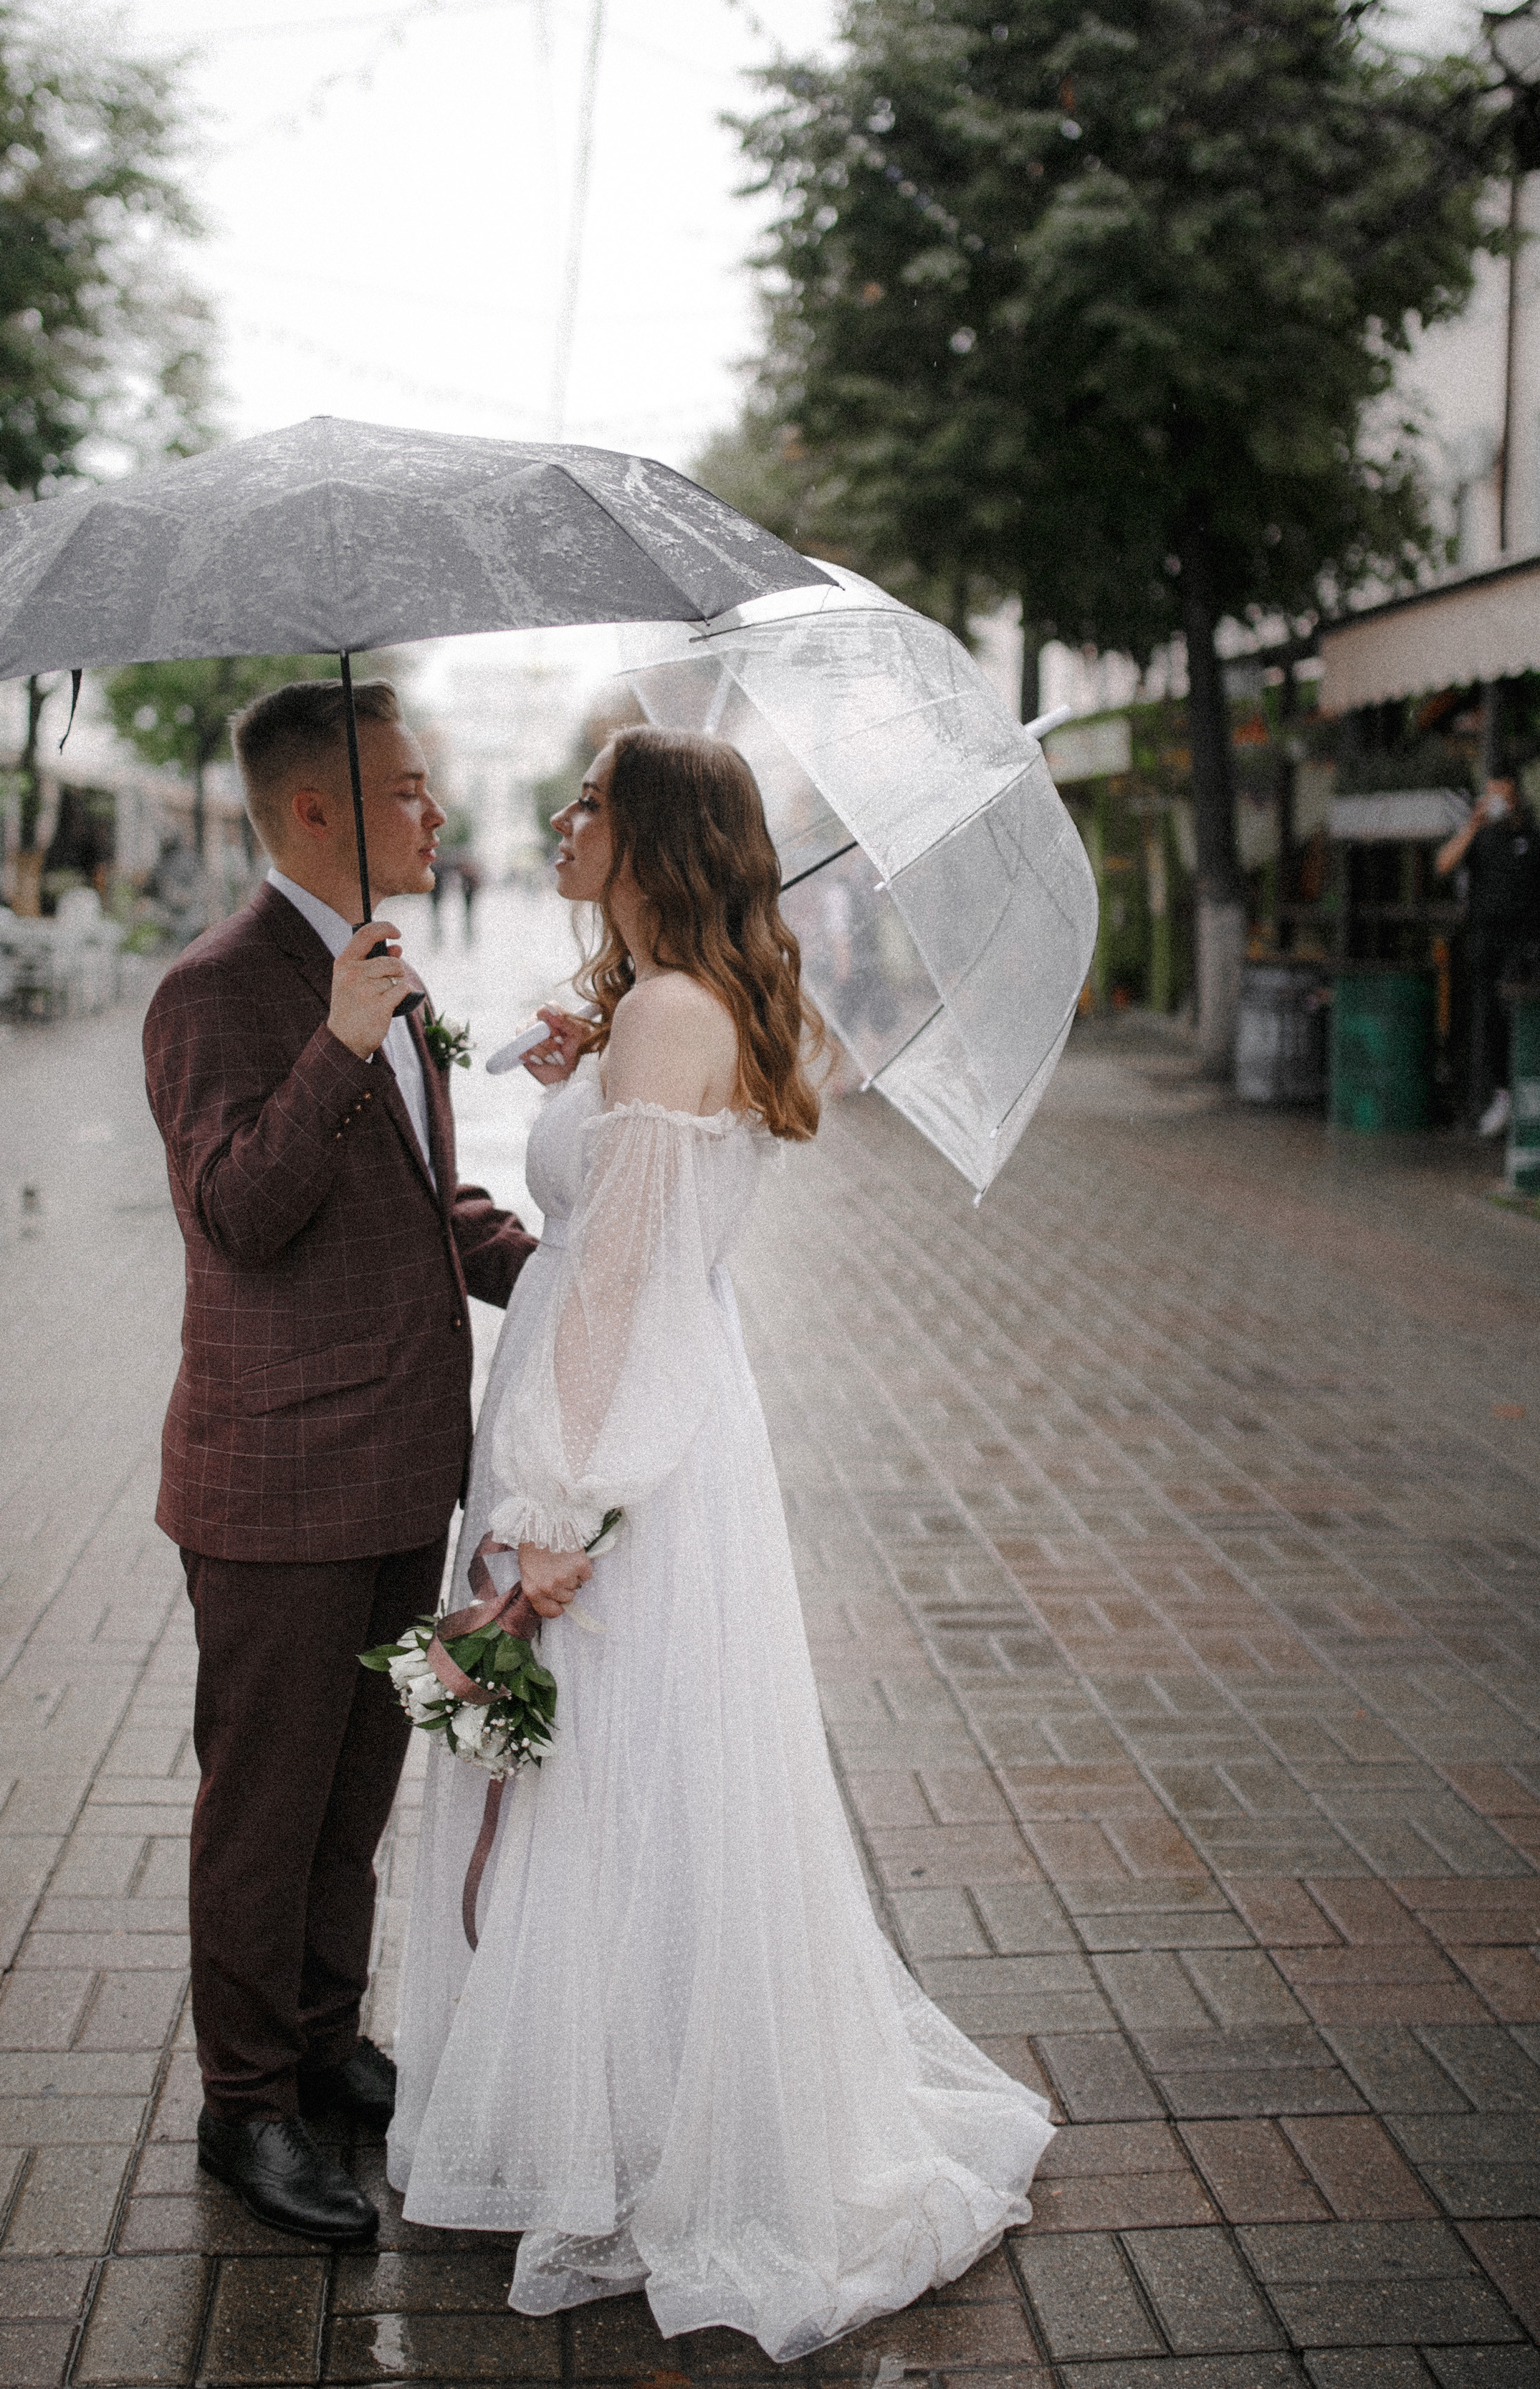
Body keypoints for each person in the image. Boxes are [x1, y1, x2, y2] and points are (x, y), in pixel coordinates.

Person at [389, 726, 1053, 2362]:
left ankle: (624, 2137)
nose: (561, 818)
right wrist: (589, 1062)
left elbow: (618, 1282)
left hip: (620, 1431)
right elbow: (627, 1237)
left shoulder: (673, 1014)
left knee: (611, 1776)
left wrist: (556, 1507)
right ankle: (607, 2110)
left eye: (590, 801)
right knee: (625, 1775)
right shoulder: (666, 1006)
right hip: (641, 1406)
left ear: (655, 836)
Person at [143, 679, 534, 2246]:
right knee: (265, 1806)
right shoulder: (219, 990)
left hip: (397, 1467)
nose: (436, 813)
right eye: (408, 790)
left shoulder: (375, 969)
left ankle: (318, 2042)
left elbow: (422, 1203)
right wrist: (335, 1044)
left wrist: (574, 1270)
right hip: (279, 1483)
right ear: (318, 811)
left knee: (353, 1791)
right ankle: (244, 2107)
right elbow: (238, 1212)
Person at [1438, 770, 1540, 1135]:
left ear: (1516, 798)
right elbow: (1443, 864)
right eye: (1491, 795)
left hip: (1524, 943)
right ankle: (1501, 1095)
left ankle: (1526, 1091)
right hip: (1486, 941)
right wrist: (1472, 825)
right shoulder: (1480, 836)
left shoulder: (1531, 838)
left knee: (1519, 1015)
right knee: (1491, 1019)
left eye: (1502, 796)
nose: (1497, 803)